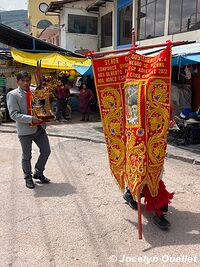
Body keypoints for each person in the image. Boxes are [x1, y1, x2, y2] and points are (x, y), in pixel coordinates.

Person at [6, 71, 51, 189]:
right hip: (25, 131)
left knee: (46, 150)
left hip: (39, 128)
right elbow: (14, 114)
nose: (26, 83)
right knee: (27, 156)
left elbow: (42, 105)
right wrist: (31, 119)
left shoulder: (35, 91)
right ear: (18, 82)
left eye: (28, 80)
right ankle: (28, 177)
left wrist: (47, 114)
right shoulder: (13, 94)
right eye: (23, 81)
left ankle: (39, 172)